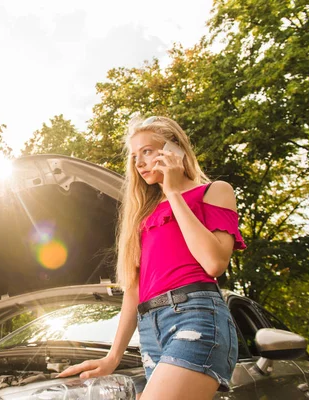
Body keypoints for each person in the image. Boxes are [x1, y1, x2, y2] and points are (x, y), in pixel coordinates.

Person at [57, 115, 246, 400]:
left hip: (195, 317)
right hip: (149, 331)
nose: (140, 163)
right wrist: (113, 357)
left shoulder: (214, 191)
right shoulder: (143, 217)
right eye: (134, 156)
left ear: (176, 149)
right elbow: (133, 290)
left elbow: (214, 262)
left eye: (147, 151)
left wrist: (173, 192)